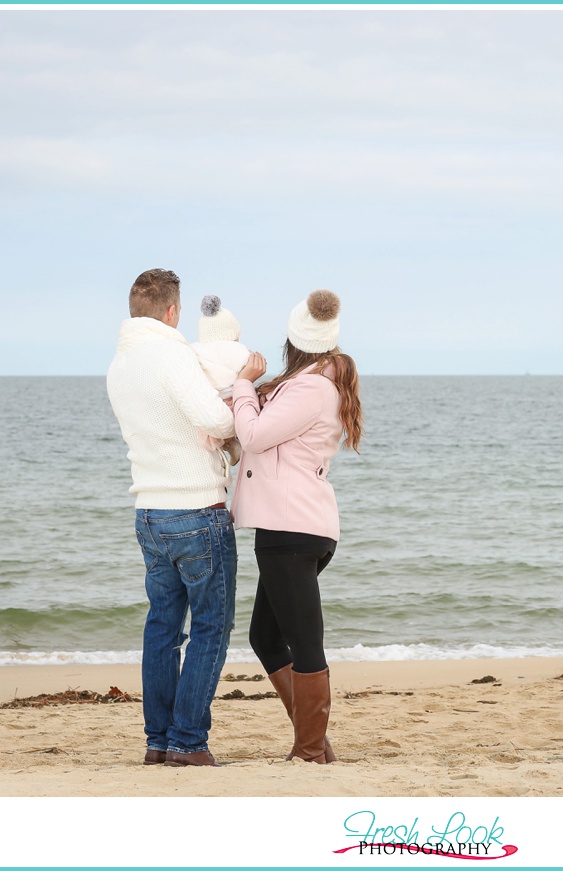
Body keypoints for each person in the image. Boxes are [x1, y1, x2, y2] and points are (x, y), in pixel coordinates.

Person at [106, 268, 239, 768]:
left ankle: (158, 741)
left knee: (163, 627)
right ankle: (188, 741)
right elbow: (217, 420)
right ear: (172, 312)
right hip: (196, 506)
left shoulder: (120, 363)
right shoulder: (171, 354)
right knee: (211, 627)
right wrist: (242, 384)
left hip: (149, 511)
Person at [230, 289, 363, 764]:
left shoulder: (311, 388)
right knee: (265, 637)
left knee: (304, 642)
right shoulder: (312, 381)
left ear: (293, 339)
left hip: (292, 531)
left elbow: (257, 435)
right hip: (294, 527)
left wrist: (246, 385)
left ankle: (309, 749)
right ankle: (316, 743)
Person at [190, 294, 249, 469]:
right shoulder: (234, 349)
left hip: (208, 402)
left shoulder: (195, 350)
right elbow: (249, 362)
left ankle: (226, 446)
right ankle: (234, 444)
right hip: (231, 400)